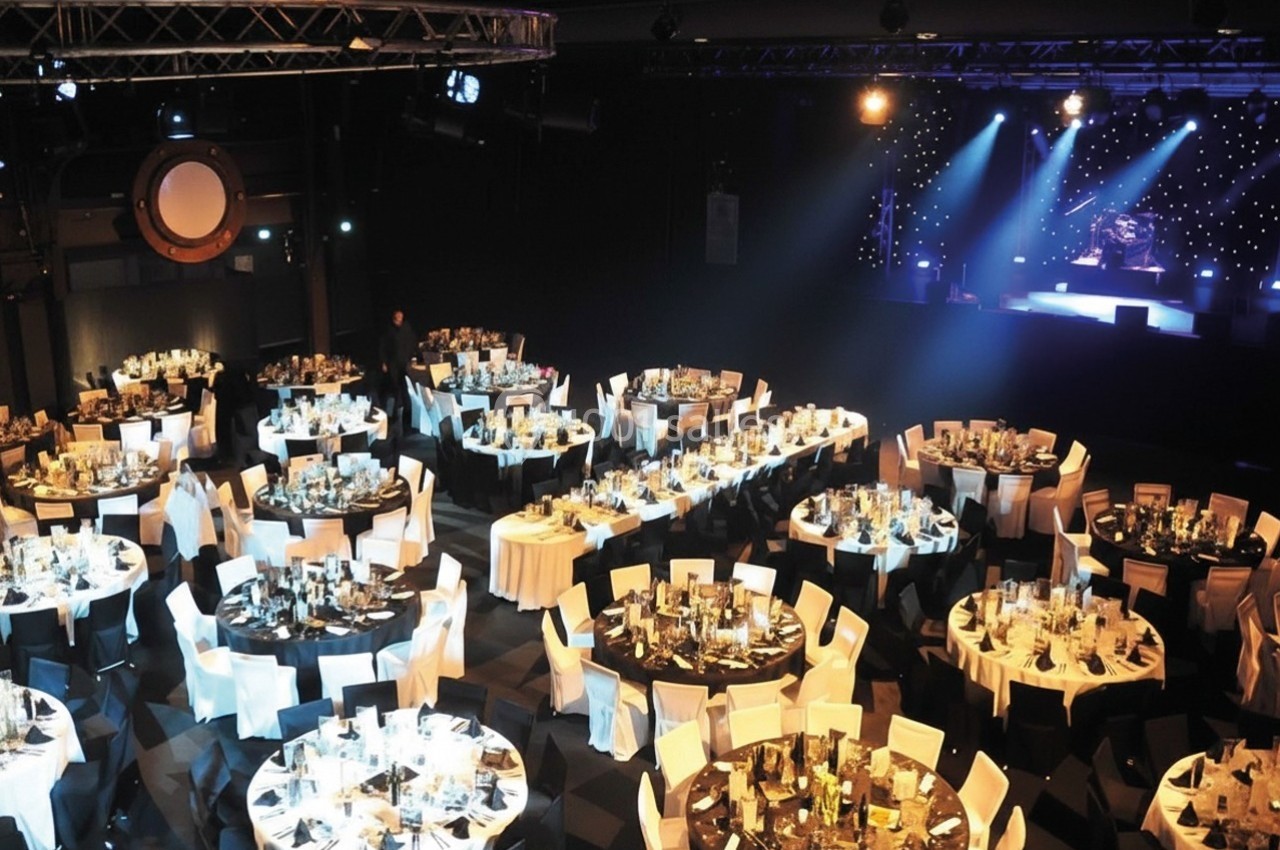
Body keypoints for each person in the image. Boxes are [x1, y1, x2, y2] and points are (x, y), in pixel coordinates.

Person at [379, 308, 417, 422]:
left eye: (401, 316)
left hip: (404, 362)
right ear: (394, 317)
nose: (399, 318)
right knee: (395, 388)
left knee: (406, 387)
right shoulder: (388, 330)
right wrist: (383, 362)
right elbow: (383, 346)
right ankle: (395, 413)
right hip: (393, 362)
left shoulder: (406, 327)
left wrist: (412, 357)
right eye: (397, 316)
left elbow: (411, 342)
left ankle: (407, 411)